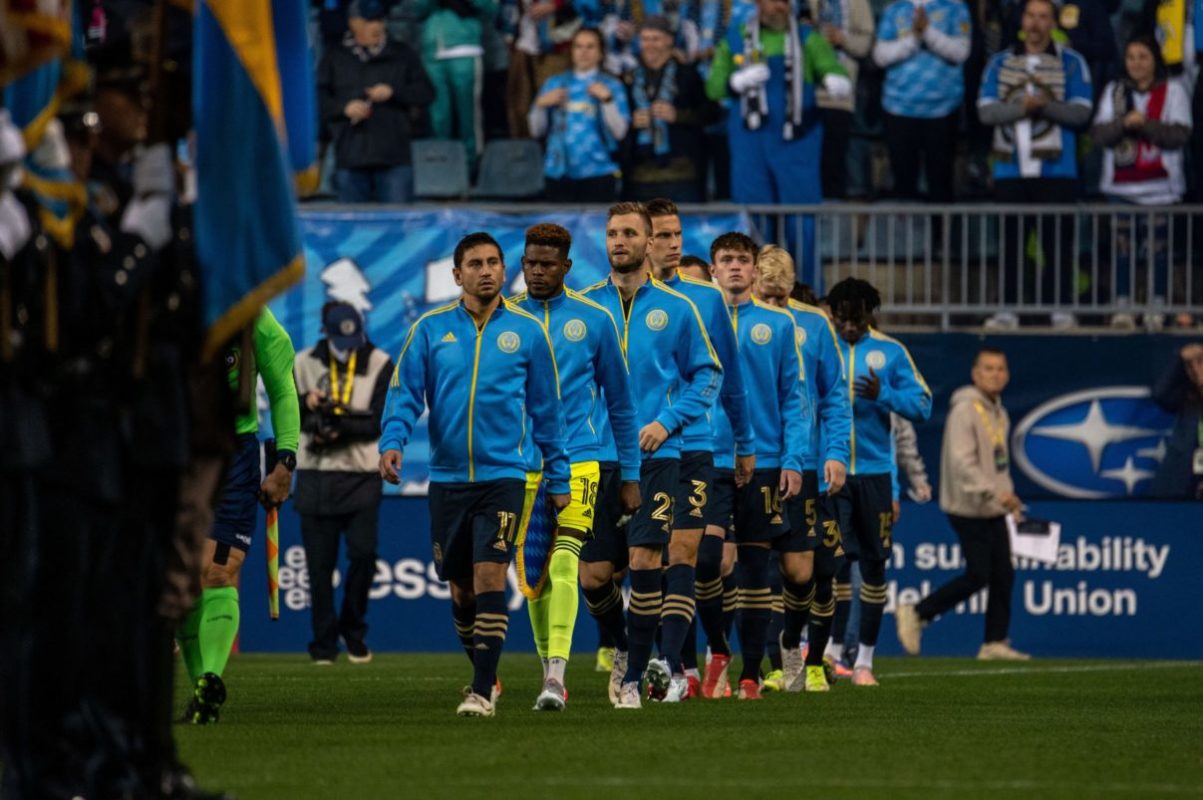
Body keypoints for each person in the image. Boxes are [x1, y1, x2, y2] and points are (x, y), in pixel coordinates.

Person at [379, 232, 571, 717]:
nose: (486, 270)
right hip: (447, 480)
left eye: (493, 262)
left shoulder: (528, 331)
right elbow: (404, 394)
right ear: (457, 274)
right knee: (461, 589)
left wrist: (560, 476)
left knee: (490, 575)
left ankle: (481, 691)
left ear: (504, 271)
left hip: (505, 476)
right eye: (475, 263)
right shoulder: (430, 328)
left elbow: (548, 413)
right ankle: (489, 674)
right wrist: (392, 442)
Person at [579, 202, 723, 709]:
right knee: (594, 577)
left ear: (647, 242)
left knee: (647, 560)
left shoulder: (679, 308)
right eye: (612, 232)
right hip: (593, 457)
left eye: (629, 233)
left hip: (657, 456)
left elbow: (708, 374)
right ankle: (622, 647)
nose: (619, 241)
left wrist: (667, 421)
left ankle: (635, 678)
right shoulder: (585, 307)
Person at [510, 223, 641, 710]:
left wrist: (629, 473)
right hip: (521, 469)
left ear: (566, 267)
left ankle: (555, 679)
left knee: (568, 561)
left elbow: (622, 405)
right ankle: (552, 667)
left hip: (582, 459)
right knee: (534, 580)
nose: (537, 271)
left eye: (547, 264)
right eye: (530, 263)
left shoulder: (593, 320)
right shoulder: (506, 319)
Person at [644, 200, 754, 702]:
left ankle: (678, 667)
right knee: (627, 568)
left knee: (692, 555)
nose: (674, 243)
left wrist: (746, 443)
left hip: (693, 446)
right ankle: (649, 657)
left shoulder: (706, 301)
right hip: (633, 454)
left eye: (677, 234)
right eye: (663, 235)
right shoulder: (618, 301)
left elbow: (727, 378)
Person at [178, 308, 300, 724]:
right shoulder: (160, 304)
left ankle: (210, 679)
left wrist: (285, 460)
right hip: (170, 452)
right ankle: (201, 691)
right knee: (181, 575)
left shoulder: (253, 316)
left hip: (233, 455)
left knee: (218, 570)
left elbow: (283, 389)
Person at [705, 233, 807, 701]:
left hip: (762, 461)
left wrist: (793, 459)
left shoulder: (778, 325)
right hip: (706, 458)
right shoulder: (696, 320)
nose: (735, 268)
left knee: (754, 569)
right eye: (725, 260)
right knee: (707, 562)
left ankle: (749, 673)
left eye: (742, 260)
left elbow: (794, 397)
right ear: (712, 269)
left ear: (754, 269)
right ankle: (712, 654)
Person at [818, 277, 931, 686]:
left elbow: (922, 404)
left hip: (876, 477)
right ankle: (831, 653)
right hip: (830, 474)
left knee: (874, 566)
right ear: (832, 314)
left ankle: (864, 660)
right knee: (833, 564)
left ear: (871, 315)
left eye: (858, 320)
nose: (850, 327)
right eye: (843, 319)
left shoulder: (890, 352)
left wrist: (885, 395)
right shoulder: (820, 346)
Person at [754, 245, 851, 693]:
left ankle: (798, 647)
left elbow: (834, 396)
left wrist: (836, 453)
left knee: (805, 572)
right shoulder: (738, 321)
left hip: (807, 463)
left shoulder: (814, 324)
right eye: (766, 296)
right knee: (757, 571)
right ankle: (771, 666)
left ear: (792, 289)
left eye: (780, 296)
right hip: (755, 462)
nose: (773, 305)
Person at [897, 348, 1030, 660]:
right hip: (967, 505)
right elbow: (962, 463)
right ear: (975, 374)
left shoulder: (1000, 411)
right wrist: (996, 494)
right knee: (979, 574)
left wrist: (1008, 496)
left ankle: (995, 642)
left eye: (1000, 368)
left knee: (1003, 574)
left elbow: (998, 465)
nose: (995, 374)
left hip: (991, 505)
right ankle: (917, 612)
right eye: (988, 368)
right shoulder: (964, 410)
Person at [704, 0, 850, 285]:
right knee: (752, 229)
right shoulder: (736, 38)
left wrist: (837, 80)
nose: (779, 7)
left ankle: (808, 297)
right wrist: (736, 82)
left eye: (785, 1)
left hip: (797, 147)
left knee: (801, 225)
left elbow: (834, 69)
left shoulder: (808, 38)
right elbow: (713, 87)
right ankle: (752, 296)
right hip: (750, 148)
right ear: (758, 4)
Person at [978, 0, 1092, 329]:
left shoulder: (1072, 62)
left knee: (1057, 241)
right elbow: (986, 111)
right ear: (1022, 20)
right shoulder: (1000, 62)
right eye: (1031, 15)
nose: (1036, 23)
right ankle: (1008, 309)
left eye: (1044, 17)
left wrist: (1044, 107)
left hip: (1058, 169)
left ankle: (1060, 308)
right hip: (1009, 169)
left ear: (1053, 21)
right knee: (1011, 241)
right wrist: (1020, 108)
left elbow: (1081, 112)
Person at [293, 303, 394, 665]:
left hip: (361, 473)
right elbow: (288, 414)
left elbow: (380, 420)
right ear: (324, 332)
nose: (347, 346)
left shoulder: (381, 361)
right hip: (315, 474)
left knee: (364, 556)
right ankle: (323, 643)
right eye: (339, 339)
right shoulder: (303, 362)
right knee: (318, 566)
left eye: (353, 338)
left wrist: (337, 423)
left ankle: (353, 630)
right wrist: (308, 404)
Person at [1092, 36, 1192, 328]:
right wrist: (1124, 124)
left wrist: (1145, 124)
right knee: (1122, 249)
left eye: (1143, 57)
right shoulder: (1114, 91)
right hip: (1120, 188)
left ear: (1155, 60)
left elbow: (1180, 135)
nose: (1136, 63)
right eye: (1131, 57)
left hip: (1161, 189)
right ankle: (1122, 304)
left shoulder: (1173, 90)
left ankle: (1157, 304)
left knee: (1158, 249)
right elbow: (1099, 135)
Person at [317, 1, 436, 203]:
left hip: (394, 158)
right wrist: (344, 108)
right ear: (353, 23)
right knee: (352, 230)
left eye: (380, 20)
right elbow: (318, 100)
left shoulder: (402, 54)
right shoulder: (334, 57)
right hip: (350, 158)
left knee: (398, 228)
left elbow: (427, 93)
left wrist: (394, 92)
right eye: (369, 21)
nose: (377, 27)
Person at [872, 0, 971, 203]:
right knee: (903, 188)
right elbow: (880, 56)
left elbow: (961, 52)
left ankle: (939, 235)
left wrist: (928, 32)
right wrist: (914, 38)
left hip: (942, 111)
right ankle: (909, 235)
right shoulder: (894, 9)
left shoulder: (955, 7)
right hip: (898, 109)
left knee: (941, 186)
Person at [529, 28, 630, 202]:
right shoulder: (554, 83)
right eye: (578, 46)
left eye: (590, 47)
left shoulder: (612, 85)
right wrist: (540, 105)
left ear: (601, 53)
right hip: (558, 172)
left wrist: (607, 101)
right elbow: (535, 131)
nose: (583, 52)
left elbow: (620, 132)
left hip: (599, 172)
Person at [623, 17, 715, 201]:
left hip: (682, 175)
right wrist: (631, 122)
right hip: (639, 175)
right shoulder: (629, 79)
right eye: (645, 39)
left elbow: (712, 112)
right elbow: (618, 124)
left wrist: (678, 116)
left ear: (669, 40)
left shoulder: (687, 74)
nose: (649, 45)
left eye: (655, 39)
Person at [412, 0, 498, 173]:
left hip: (465, 49)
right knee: (438, 118)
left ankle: (471, 169)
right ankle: (441, 168)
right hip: (433, 52)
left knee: (469, 117)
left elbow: (491, 8)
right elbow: (416, 9)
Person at [810, 0, 874, 200]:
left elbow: (865, 44)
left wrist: (843, 39)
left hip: (840, 99)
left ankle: (830, 226)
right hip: (805, 96)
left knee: (833, 166)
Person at [1150, 342, 1203, 500]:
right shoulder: (1188, 397)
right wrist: (1179, 360)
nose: (1196, 370)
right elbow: (1160, 394)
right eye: (1190, 367)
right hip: (1182, 475)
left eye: (1200, 364)